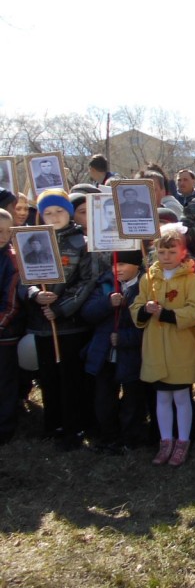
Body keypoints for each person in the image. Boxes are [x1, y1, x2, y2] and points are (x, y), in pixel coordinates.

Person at [17, 189, 94, 451]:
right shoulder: (31, 238)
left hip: (70, 324)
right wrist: (35, 294)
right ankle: (53, 424)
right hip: (42, 325)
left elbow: (87, 281)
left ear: (69, 213)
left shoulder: (82, 242)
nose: (54, 216)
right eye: (48, 212)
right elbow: (24, 279)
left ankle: (74, 427)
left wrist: (61, 309)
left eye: (59, 211)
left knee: (70, 377)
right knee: (48, 376)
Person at [131, 223, 195, 467]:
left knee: (181, 396)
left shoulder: (192, 280)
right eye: (162, 252)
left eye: (172, 252)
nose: (166, 257)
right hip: (155, 347)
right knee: (162, 397)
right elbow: (136, 306)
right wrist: (144, 310)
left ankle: (183, 441)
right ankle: (165, 440)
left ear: (183, 252)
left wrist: (166, 314)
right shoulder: (148, 279)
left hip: (180, 347)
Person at [81, 249, 149, 453]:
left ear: (136, 265)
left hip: (132, 355)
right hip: (104, 353)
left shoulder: (147, 287)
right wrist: (107, 302)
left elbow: (149, 328)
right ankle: (108, 436)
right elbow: (88, 313)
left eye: (122, 264)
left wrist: (125, 338)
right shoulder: (105, 284)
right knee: (104, 399)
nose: (116, 269)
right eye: (114, 264)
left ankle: (130, 437)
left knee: (132, 400)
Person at [0, 209, 19, 444]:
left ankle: (5, 427)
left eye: (8, 231)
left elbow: (11, 301)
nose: (3, 236)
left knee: (4, 381)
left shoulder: (13, 259)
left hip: (5, 332)